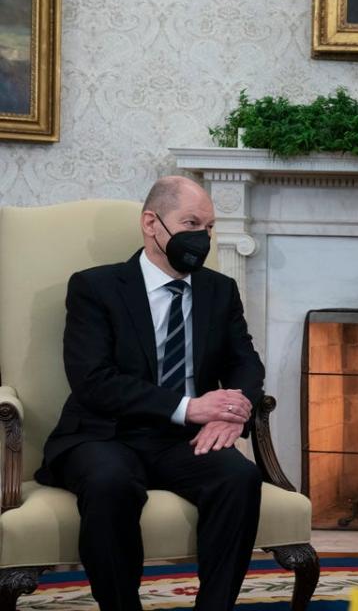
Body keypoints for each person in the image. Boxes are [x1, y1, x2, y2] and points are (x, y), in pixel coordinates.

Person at [35, 176, 265, 611]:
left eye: (210, 227)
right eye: (191, 222)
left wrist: (233, 408)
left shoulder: (219, 290)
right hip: (105, 433)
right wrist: (190, 406)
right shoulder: (95, 287)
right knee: (109, 483)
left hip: (183, 441)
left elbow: (245, 361)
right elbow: (93, 380)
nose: (202, 237)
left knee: (239, 477)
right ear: (151, 223)